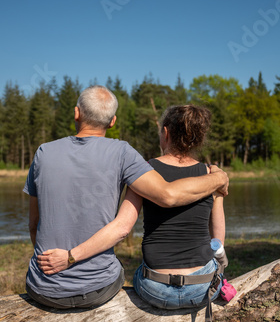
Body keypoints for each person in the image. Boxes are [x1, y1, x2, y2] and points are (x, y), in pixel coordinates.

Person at [24, 85, 229, 309]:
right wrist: (218, 178)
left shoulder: (43, 152)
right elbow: (168, 197)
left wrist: (59, 261)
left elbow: (34, 224)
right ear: (112, 121)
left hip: (42, 287)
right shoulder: (123, 153)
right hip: (100, 289)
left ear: (76, 113)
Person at [132, 105, 226, 322]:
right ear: (198, 139)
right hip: (201, 288)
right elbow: (218, 239)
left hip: (154, 288)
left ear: (165, 133)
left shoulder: (145, 171)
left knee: (138, 272)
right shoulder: (210, 174)